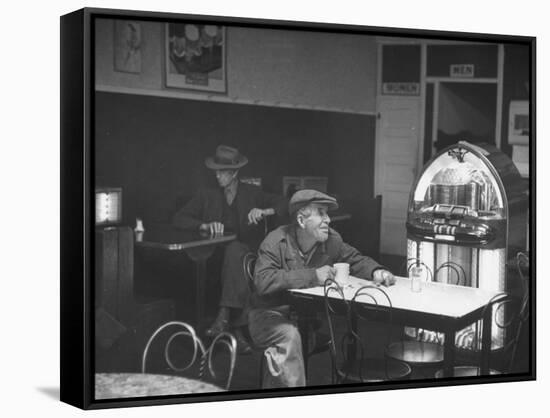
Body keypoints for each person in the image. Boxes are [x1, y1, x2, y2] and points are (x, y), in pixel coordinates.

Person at [248, 189, 395, 387]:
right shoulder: (276, 241)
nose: (328, 220)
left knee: (295, 337)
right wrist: (312, 275)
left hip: (304, 320)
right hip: (267, 317)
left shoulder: (332, 240)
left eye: (327, 213)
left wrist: (377, 271)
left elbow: (355, 259)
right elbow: (263, 281)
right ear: (301, 220)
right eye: (321, 212)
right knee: (289, 336)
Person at [173, 145, 287, 354]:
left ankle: (224, 317)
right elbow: (179, 217)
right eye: (215, 171)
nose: (217, 176)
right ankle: (237, 331)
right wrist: (203, 225)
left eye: (222, 172)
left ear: (234, 173)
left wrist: (264, 210)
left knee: (235, 252)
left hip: (247, 254)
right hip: (215, 256)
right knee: (232, 255)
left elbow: (283, 203)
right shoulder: (206, 195)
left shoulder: (252, 193)